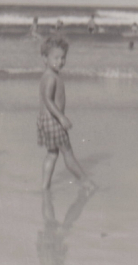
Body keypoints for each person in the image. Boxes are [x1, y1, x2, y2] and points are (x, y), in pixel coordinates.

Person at [38, 36, 95, 191]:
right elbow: (47, 100)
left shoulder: (49, 75)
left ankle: (45, 186)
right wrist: (61, 117)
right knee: (68, 154)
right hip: (54, 120)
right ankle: (85, 182)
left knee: (52, 153)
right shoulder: (51, 78)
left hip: (45, 120)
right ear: (45, 58)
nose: (60, 61)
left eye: (63, 58)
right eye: (56, 58)